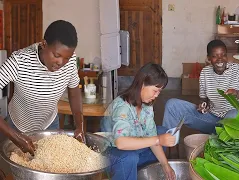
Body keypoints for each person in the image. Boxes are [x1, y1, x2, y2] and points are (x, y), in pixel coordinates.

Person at [0, 20, 85, 155]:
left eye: (67, 58)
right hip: (17, 127)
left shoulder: (70, 61)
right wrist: (16, 137)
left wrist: (79, 125)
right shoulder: (19, 61)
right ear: (44, 44)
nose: (61, 63)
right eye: (57, 55)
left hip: (50, 125)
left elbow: (74, 90)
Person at [162, 40, 239, 134]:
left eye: (223, 55)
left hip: (233, 121)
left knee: (233, 114)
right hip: (212, 120)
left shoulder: (237, 70)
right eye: (215, 56)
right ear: (209, 58)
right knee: (172, 105)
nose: (220, 59)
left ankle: (222, 141)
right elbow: (203, 100)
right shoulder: (205, 72)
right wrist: (203, 105)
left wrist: (237, 93)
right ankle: (168, 145)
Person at [105, 63, 176, 180]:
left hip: (133, 150)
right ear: (142, 84)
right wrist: (158, 139)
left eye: (159, 92)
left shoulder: (147, 106)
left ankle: (137, 173)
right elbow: (120, 143)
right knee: (130, 157)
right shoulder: (122, 106)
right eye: (155, 91)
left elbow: (152, 135)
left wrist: (165, 165)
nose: (157, 95)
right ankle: (126, 173)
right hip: (112, 154)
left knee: (162, 133)